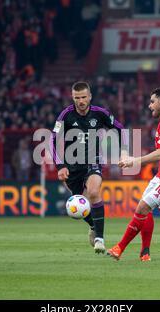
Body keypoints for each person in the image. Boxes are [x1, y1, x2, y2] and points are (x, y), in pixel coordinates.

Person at [107, 87, 160, 262]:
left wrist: (134, 161)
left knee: (142, 208)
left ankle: (119, 248)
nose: (149, 105)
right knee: (145, 210)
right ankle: (145, 252)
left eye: (152, 101)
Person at [51, 81, 126, 254]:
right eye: (77, 98)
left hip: (93, 160)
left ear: (90, 96)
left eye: (84, 97)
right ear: (72, 97)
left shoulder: (100, 113)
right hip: (72, 166)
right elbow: (52, 140)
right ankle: (93, 225)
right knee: (77, 205)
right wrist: (60, 165)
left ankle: (100, 238)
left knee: (93, 192)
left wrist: (123, 151)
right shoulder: (65, 115)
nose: (81, 101)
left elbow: (120, 129)